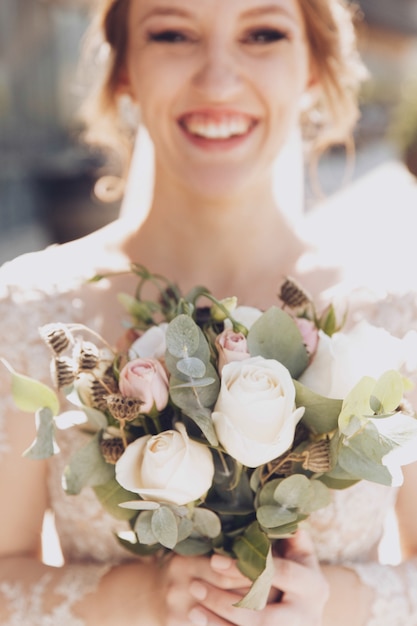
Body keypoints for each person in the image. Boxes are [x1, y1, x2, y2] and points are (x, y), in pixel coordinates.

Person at [1, 0, 417, 624]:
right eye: (172, 33)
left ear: (313, 64)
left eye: (263, 33)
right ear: (123, 70)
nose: (218, 79)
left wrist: (332, 605)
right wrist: (137, 599)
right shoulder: (27, 313)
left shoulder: (396, 315)